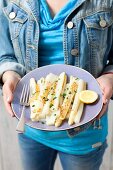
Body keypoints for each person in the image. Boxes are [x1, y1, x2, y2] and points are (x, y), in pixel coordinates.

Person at [0, 0, 113, 170]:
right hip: (29, 126)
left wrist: (109, 76)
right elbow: (5, 53)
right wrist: (10, 74)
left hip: (85, 132)